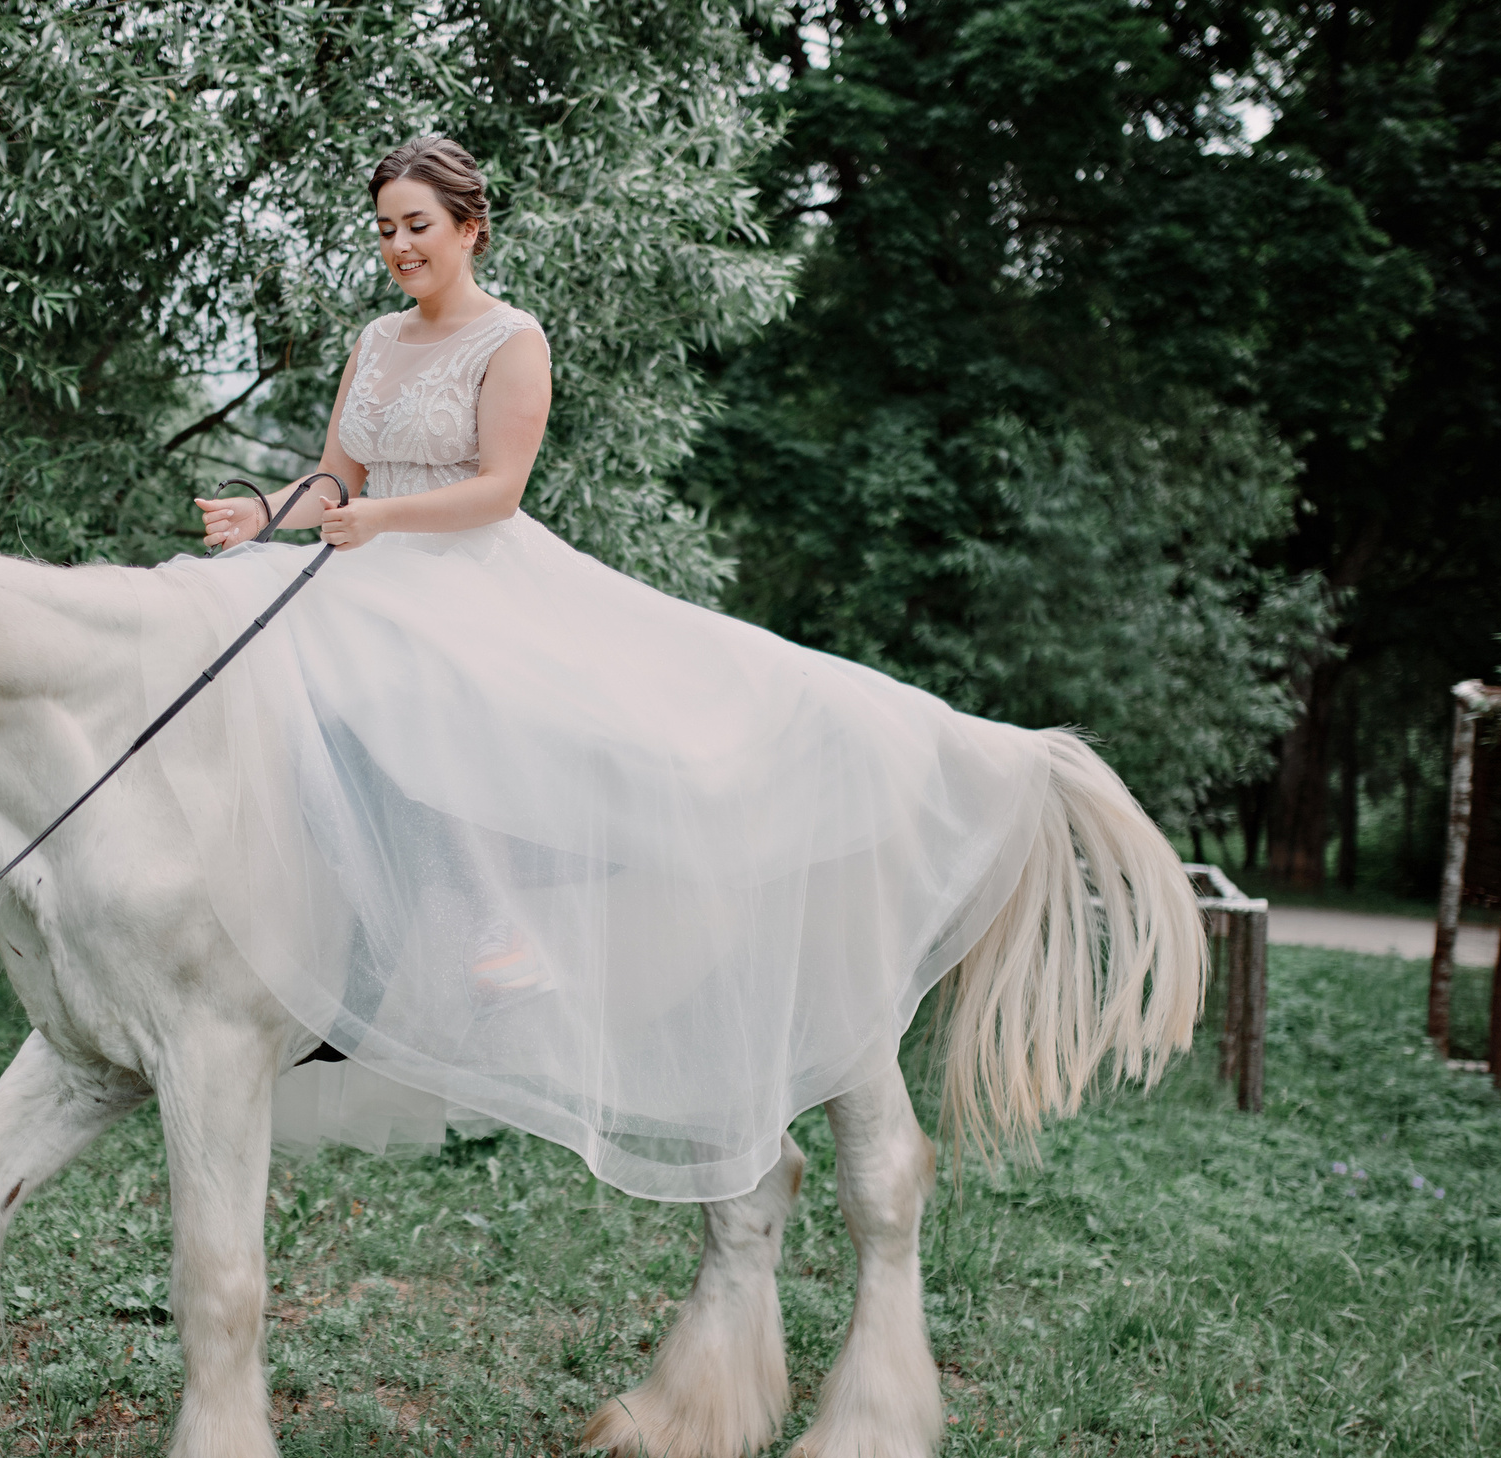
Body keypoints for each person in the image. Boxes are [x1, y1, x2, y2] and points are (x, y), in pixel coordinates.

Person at [144, 137, 1050, 1203]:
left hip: (464, 575)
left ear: (469, 227)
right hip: (363, 566)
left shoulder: (509, 339)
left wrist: (375, 517)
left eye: (417, 227)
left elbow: (495, 489)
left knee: (415, 697)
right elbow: (335, 478)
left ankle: (494, 932)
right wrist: (267, 513)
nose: (398, 247)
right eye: (385, 229)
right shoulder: (375, 341)